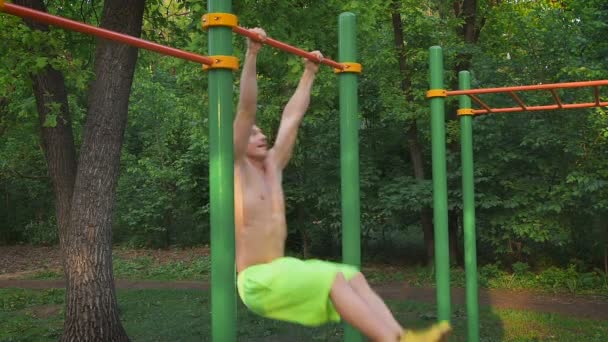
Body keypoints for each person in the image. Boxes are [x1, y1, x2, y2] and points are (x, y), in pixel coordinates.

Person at [233, 27, 452, 342]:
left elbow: (291, 117)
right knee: (335, 279)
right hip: (256, 281)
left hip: (280, 271)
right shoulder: (240, 168)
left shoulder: (273, 167)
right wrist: (252, 53)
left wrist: (309, 73)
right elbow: (246, 109)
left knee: (354, 276)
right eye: (253, 133)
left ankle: (403, 336)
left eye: (260, 132)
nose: (261, 135)